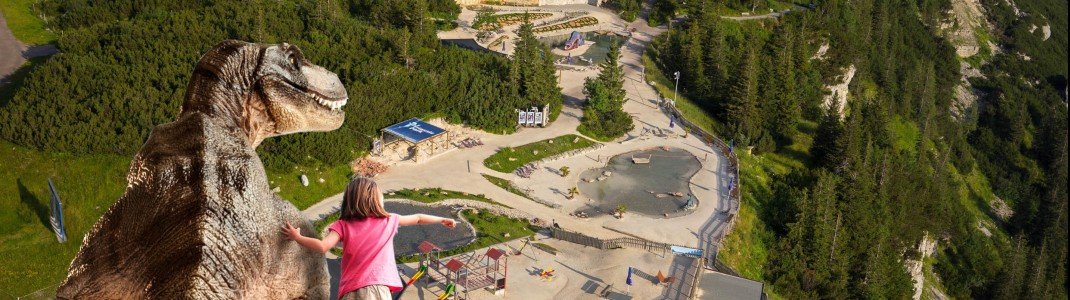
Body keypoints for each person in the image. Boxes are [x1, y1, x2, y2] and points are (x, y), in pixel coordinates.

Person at [282, 178, 457, 299]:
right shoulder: (387, 220)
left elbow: (322, 246)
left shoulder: (343, 224)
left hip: (351, 291)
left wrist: (297, 236)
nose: (383, 198)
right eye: (381, 196)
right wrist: (441, 219)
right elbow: (418, 218)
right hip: (378, 289)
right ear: (372, 200)